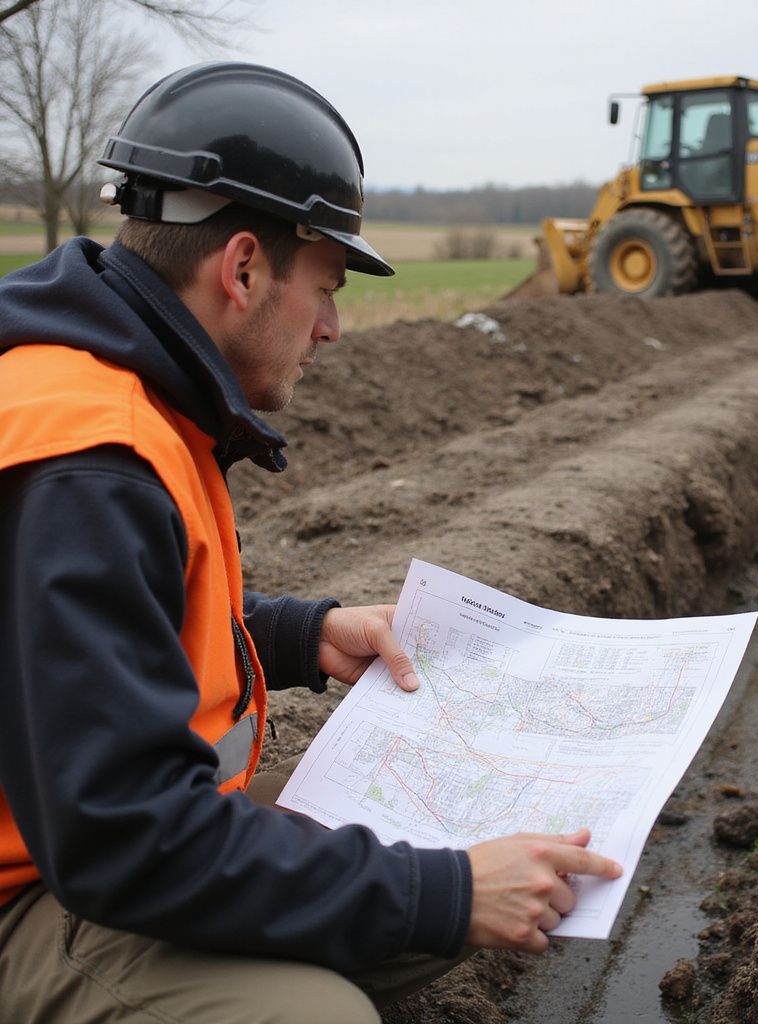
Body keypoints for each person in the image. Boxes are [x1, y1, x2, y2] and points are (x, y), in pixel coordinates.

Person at [0, 63, 621, 1024]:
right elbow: (124, 840)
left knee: (413, 907)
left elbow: (83, 629)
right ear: (242, 268)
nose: (332, 329)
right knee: (323, 1006)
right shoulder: (91, 458)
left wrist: (299, 634)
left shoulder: (106, 388)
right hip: (37, 891)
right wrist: (447, 890)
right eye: (325, 288)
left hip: (69, 850)